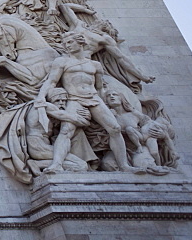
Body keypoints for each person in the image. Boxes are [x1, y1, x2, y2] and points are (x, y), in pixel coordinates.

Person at [34, 32, 140, 174]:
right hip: (75, 99)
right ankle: (56, 165)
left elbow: (100, 88)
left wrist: (107, 106)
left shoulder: (95, 65)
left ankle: (124, 166)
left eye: (70, 42)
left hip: (94, 99)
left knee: (114, 128)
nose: (67, 46)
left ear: (80, 42)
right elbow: (51, 82)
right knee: (66, 131)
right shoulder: (62, 62)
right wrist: (41, 96)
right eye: (65, 44)